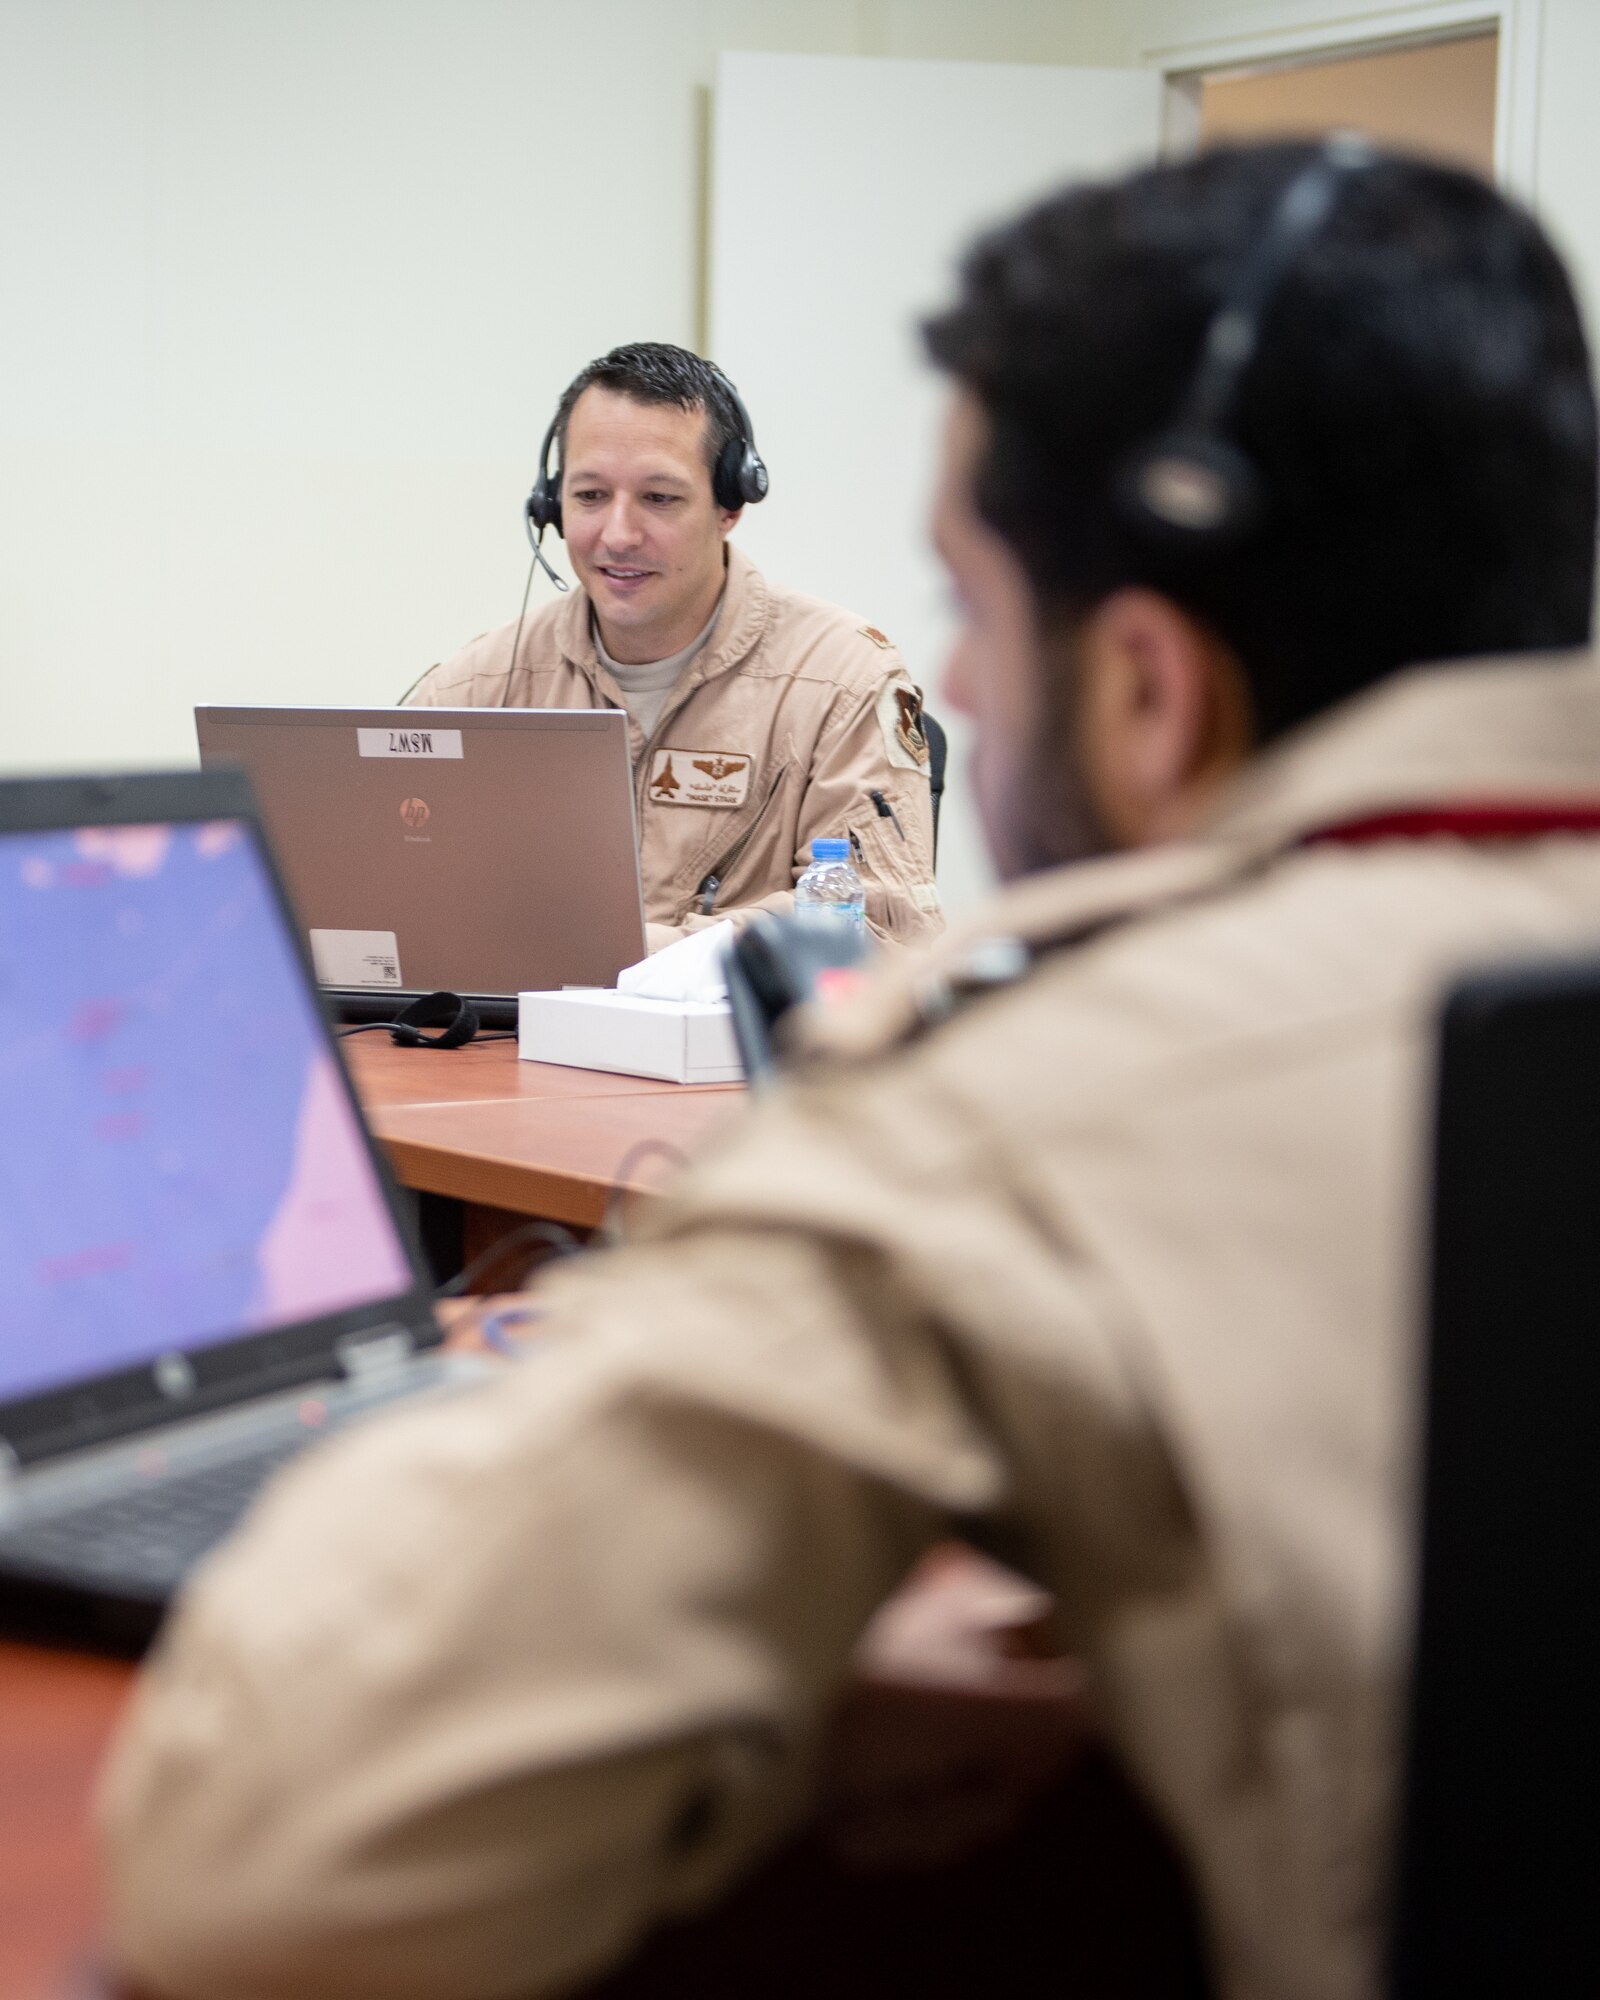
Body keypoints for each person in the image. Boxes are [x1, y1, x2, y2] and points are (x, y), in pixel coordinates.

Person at [101, 140, 1600, 2000]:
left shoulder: (1012, 1101)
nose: (961, 682)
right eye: (586, 495)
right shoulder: (506, 655)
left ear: (1145, 684)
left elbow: (268, 1864)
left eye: (977, 607)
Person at [407, 342, 943, 950]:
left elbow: (886, 930)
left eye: (659, 498)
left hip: (744, 1043)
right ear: (551, 506)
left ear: (730, 504)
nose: (617, 534)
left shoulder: (842, 679)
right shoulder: (473, 690)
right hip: (509, 1043)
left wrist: (645, 953)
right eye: (589, 496)